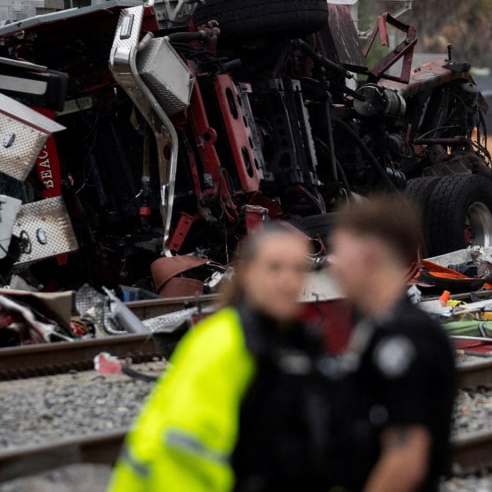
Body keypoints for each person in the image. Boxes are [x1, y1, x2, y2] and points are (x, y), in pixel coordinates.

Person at [110, 224, 326, 492]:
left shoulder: (299, 342)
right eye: (274, 268)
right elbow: (184, 459)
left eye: (298, 270)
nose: (287, 281)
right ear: (246, 274)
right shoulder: (222, 343)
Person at [327, 193, 457, 492]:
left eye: (340, 252)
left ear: (369, 255)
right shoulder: (378, 326)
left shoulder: (403, 338)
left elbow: (405, 461)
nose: (333, 265)